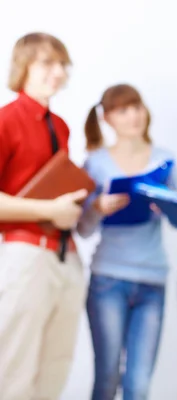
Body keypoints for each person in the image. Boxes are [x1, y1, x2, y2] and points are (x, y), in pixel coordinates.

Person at [0, 32, 88, 400]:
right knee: (15, 370)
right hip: (27, 257)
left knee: (56, 365)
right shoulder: (6, 120)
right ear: (24, 67)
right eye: (46, 63)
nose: (57, 71)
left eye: (61, 64)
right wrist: (49, 210)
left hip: (66, 258)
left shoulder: (61, 125)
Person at [77, 84, 177, 400]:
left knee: (139, 385)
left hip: (152, 281)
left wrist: (165, 206)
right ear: (107, 118)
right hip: (108, 279)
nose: (133, 115)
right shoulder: (94, 163)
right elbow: (82, 229)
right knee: (106, 379)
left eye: (137, 107)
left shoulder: (164, 159)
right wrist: (97, 207)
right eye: (123, 110)